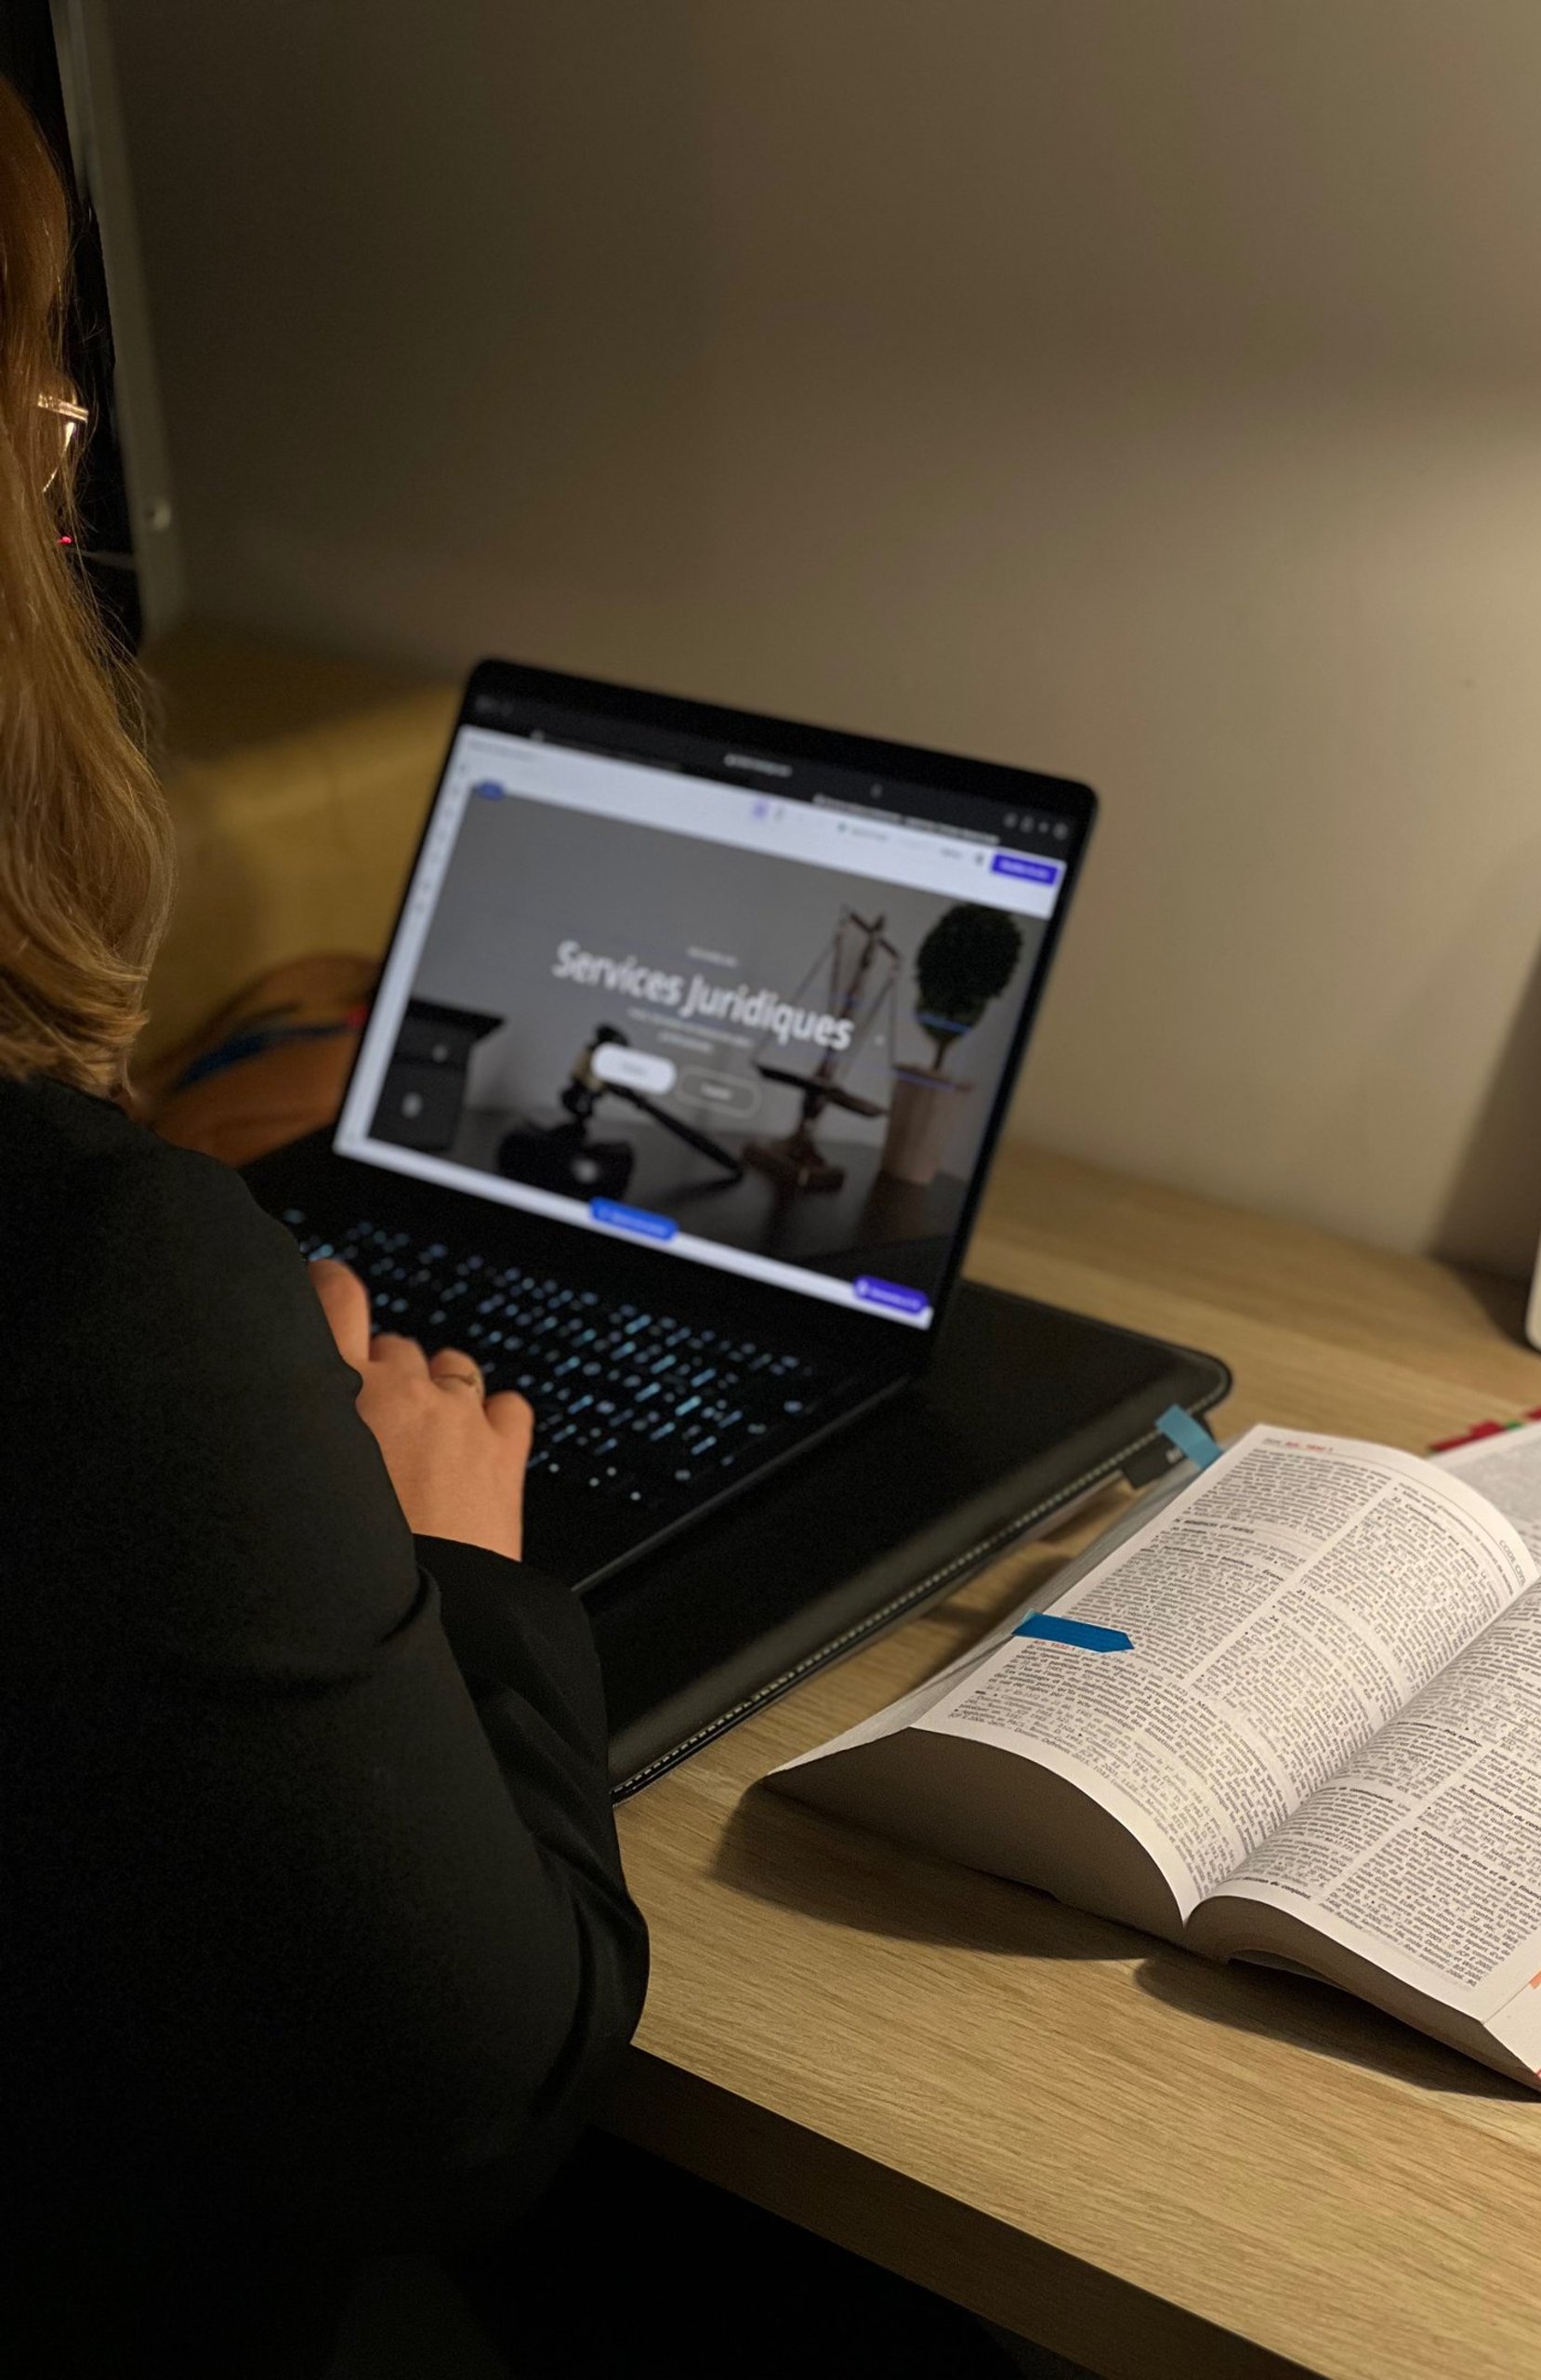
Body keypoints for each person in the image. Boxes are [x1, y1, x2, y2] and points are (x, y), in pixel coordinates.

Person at [0, 76, 648, 2377]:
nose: (72, 454)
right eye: (43, 394)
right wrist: (454, 1550)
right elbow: (479, 2097)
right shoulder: (97, 1283)